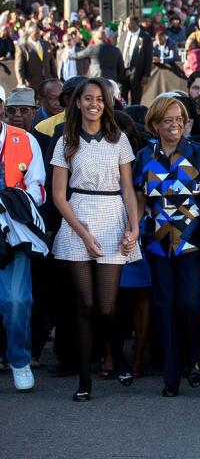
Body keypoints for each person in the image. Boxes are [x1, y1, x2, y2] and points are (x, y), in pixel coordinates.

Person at [50, 77, 140, 401]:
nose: (93, 104)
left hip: (112, 215)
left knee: (106, 306)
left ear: (107, 102)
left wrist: (134, 227)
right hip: (78, 219)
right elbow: (59, 196)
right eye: (87, 98)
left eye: (99, 99)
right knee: (84, 304)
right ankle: (84, 379)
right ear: (77, 102)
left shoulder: (119, 139)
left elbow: (129, 190)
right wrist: (83, 233)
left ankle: (119, 356)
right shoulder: (66, 140)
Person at [133, 95, 200, 397]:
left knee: (189, 302)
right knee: (163, 305)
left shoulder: (199, 153)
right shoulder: (144, 157)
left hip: (192, 240)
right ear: (155, 124)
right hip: (157, 243)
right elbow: (139, 200)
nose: (175, 125)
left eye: (180, 120)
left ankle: (193, 358)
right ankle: (171, 375)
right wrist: (133, 230)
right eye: (168, 120)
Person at [0, 90, 48, 393]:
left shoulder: (24, 139)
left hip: (13, 231)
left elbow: (38, 187)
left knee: (16, 301)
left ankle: (19, 360)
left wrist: (12, 204)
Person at [15, 21, 57, 90]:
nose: (38, 35)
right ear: (29, 34)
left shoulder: (46, 44)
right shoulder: (22, 47)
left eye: (39, 33)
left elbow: (52, 63)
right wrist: (21, 83)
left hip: (47, 81)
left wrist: (56, 79)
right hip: (31, 83)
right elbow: (19, 67)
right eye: (36, 33)